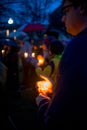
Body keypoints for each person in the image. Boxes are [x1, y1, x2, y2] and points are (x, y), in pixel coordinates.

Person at [35, 0, 87, 130]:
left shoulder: (78, 46)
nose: (63, 19)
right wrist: (59, 87)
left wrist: (43, 104)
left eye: (66, 11)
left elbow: (60, 117)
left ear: (82, 6)